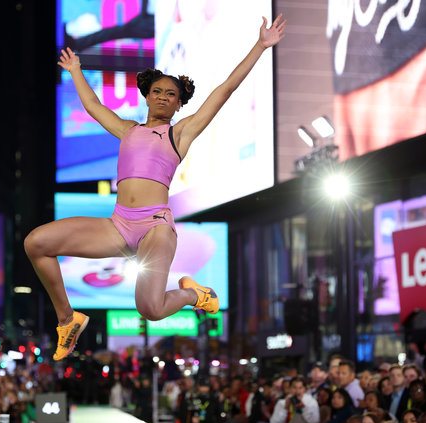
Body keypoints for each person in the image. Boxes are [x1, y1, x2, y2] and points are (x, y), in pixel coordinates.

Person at [26, 13, 287, 361]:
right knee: (36, 243)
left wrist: (261, 45)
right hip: (118, 225)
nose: (164, 97)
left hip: (155, 227)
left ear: (180, 103)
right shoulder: (127, 129)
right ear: (147, 97)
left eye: (171, 94)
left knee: (150, 308)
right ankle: (67, 318)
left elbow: (225, 89)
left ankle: (195, 295)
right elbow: (92, 106)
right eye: (158, 92)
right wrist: (75, 70)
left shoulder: (180, 133)